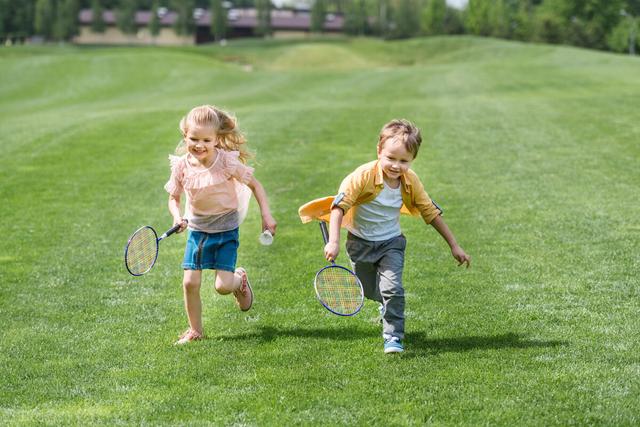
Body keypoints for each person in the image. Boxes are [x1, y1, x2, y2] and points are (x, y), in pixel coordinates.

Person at [323, 119, 470, 354]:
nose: (396, 166)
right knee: (371, 290)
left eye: (404, 161)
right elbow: (338, 207)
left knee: (393, 289)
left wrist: (454, 245)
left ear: (412, 160)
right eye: (391, 158)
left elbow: (430, 212)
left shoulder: (410, 181)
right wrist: (334, 241)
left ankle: (393, 336)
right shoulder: (361, 176)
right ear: (379, 151)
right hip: (359, 243)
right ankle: (386, 305)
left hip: (391, 243)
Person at [164, 105, 277, 345]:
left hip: (225, 230)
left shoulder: (226, 163)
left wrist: (266, 216)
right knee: (189, 281)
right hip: (197, 229)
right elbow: (173, 198)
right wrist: (177, 217)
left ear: (217, 139)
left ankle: (239, 280)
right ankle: (195, 330)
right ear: (185, 136)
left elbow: (255, 185)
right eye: (194, 139)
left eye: (207, 139)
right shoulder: (181, 166)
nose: (199, 145)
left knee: (223, 287)